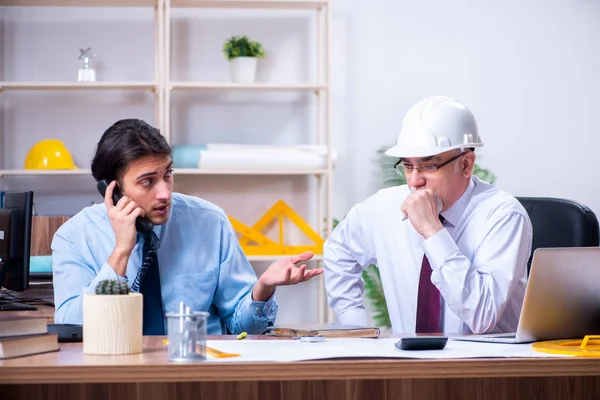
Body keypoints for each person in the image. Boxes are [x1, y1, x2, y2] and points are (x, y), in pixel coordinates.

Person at [52, 118, 322, 335]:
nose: (164, 193)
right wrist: (121, 253)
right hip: (116, 377)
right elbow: (72, 329)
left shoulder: (209, 222)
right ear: (112, 189)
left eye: (167, 175)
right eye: (147, 182)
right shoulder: (74, 237)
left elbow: (243, 327)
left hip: (198, 374)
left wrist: (262, 289)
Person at [323, 96, 532, 334]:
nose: (414, 181)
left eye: (429, 166)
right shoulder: (384, 206)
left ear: (466, 164)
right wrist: (354, 324)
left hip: (487, 364)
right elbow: (339, 250)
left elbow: (482, 316)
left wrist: (433, 231)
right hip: (408, 365)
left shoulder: (503, 215)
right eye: (408, 166)